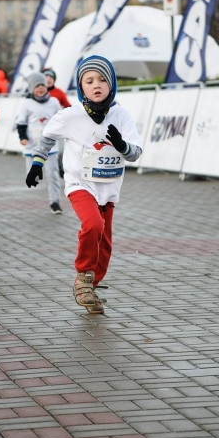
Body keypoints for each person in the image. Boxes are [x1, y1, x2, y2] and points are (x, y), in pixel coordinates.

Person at [26, 56, 142, 314]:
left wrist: (122, 146)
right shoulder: (71, 115)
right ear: (81, 87)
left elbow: (135, 153)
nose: (96, 85)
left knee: (105, 244)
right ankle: (83, 277)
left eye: (102, 80)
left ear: (111, 84)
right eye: (89, 81)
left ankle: (91, 287)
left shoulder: (121, 115)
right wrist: (37, 163)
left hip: (108, 188)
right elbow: (46, 137)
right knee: (93, 225)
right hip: (79, 184)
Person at [16, 72, 64, 214]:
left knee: (52, 174)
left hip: (50, 146)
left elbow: (61, 118)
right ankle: (36, 174)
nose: (41, 88)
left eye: (43, 85)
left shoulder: (54, 102)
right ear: (31, 88)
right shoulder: (27, 103)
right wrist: (23, 137)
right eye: (37, 86)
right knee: (32, 176)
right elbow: (21, 123)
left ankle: (55, 202)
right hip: (32, 146)